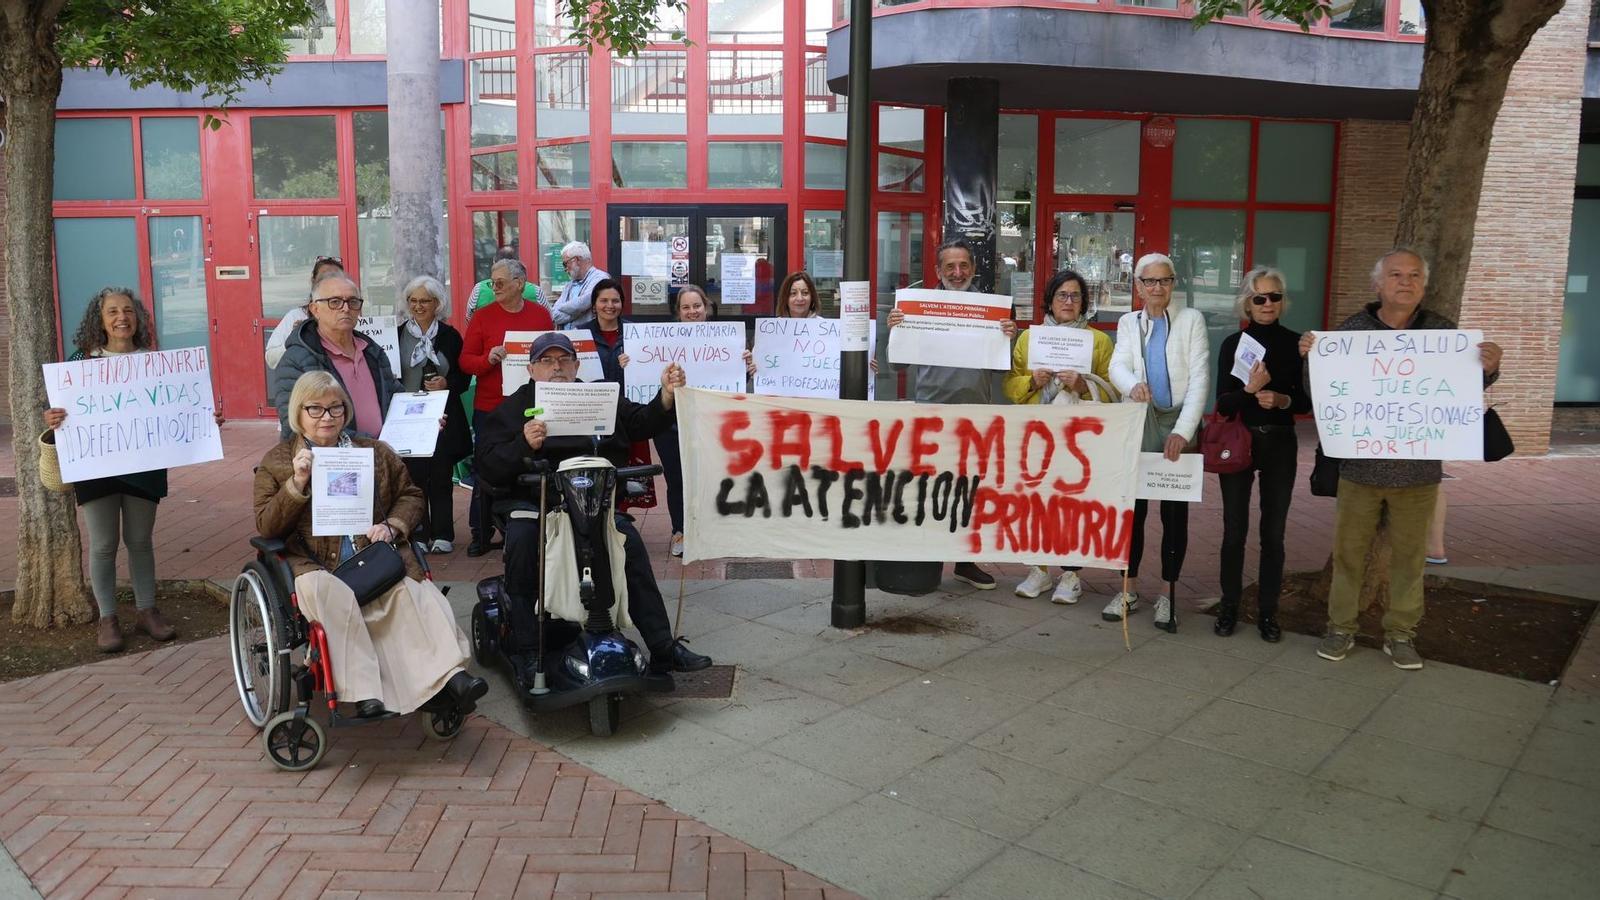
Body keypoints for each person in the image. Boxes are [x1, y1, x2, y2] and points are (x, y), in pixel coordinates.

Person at [1304, 248, 1502, 670]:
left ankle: (1401, 634)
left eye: (1414, 275)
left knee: (1411, 559)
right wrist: (1311, 358)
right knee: (1348, 555)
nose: (1405, 282)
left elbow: (1466, 388)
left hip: (1418, 473)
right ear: (1378, 283)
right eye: (1396, 274)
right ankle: (1340, 628)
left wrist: (1488, 369)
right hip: (1359, 470)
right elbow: (1320, 392)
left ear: (1423, 285)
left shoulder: (1444, 335)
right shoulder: (1352, 332)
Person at [474, 333, 712, 678]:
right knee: (523, 545)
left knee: (628, 543)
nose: (556, 367)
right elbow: (487, 464)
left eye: (564, 359)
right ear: (530, 368)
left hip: (594, 502)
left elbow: (642, 423)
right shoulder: (512, 408)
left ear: (576, 364)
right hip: (537, 502)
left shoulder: (598, 397)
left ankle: (662, 647)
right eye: (546, 360)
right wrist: (522, 444)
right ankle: (527, 651)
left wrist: (666, 397)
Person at [254, 372, 487, 718]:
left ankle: (449, 678)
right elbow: (267, 526)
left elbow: (410, 495)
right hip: (315, 562)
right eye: (315, 409)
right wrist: (296, 483)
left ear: (346, 412)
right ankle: (365, 693)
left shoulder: (374, 452)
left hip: (371, 554)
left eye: (335, 408)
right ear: (298, 413)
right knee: (333, 596)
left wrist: (393, 525)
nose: (327, 417)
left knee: (413, 595)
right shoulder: (277, 463)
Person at [42, 288, 216, 652]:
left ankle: (146, 610)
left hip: (143, 465)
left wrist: (203, 417)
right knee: (103, 544)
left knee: (140, 541)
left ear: (137, 318)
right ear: (99, 319)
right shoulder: (80, 362)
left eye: (128, 310)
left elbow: (177, 406)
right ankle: (107, 617)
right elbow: (60, 408)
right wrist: (53, 417)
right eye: (112, 312)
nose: (121, 317)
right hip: (96, 466)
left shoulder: (154, 363)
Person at [886, 238, 1018, 590]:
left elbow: (1006, 369)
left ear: (973, 269)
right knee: (929, 487)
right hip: (931, 412)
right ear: (938, 271)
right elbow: (898, 363)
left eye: (963, 266)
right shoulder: (919, 306)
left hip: (974, 413)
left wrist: (1009, 337)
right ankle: (927, 561)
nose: (957, 273)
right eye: (950, 267)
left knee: (970, 489)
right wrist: (897, 328)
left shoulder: (992, 310)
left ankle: (965, 561)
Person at [1107, 252, 1210, 628]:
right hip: (1141, 417)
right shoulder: (1128, 322)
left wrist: (1183, 432)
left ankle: (1167, 594)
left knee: (1173, 512)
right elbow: (1115, 364)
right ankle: (1128, 587)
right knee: (1132, 510)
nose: (1156, 288)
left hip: (1177, 418)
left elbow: (1199, 378)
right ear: (1137, 286)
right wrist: (1131, 385)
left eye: (1163, 281)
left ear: (1173, 284)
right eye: (1149, 281)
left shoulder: (1191, 320)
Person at [1003, 269, 1117, 605]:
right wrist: (1033, 381)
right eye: (1061, 295)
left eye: (1075, 296)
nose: (1068, 302)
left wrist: (1084, 386)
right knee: (1036, 502)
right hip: (1038, 433)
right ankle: (1038, 569)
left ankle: (1071, 574)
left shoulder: (1099, 341)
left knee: (1074, 503)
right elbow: (1010, 386)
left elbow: (1113, 392)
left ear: (1083, 303)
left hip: (1079, 438)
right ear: (1050, 302)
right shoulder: (1028, 339)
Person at [1213, 266, 1310, 643]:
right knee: (1234, 531)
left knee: (1274, 533)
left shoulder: (1297, 343)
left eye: (1274, 297)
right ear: (1247, 304)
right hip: (1239, 441)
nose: (1268, 304)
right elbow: (1222, 404)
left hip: (1281, 442)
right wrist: (1251, 390)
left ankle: (1269, 612)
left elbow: (1305, 401)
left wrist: (1283, 399)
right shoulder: (1232, 345)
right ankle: (1229, 606)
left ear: (1283, 301)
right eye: (1260, 298)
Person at [460, 258, 557, 557]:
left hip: (532, 404)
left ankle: (518, 525)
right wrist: (486, 360)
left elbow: (552, 353)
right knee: (486, 467)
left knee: (527, 461)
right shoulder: (482, 317)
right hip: (491, 405)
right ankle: (481, 531)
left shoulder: (541, 315)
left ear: (520, 284)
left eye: (500, 282)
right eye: (492, 282)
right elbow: (465, 361)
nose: (494, 287)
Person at [618, 285, 715, 558]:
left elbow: (734, 383)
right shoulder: (663, 341)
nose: (692, 312)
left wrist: (745, 363)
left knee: (708, 477)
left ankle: (708, 531)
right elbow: (644, 381)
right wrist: (630, 363)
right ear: (678, 312)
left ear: (705, 308)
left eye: (697, 306)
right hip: (670, 423)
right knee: (677, 478)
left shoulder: (725, 340)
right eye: (686, 307)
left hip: (708, 421)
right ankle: (679, 530)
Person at [271, 275, 401, 440]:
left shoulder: (372, 351)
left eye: (353, 302)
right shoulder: (296, 360)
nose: (346, 308)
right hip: (335, 461)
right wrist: (370, 446)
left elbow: (394, 396)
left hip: (382, 458)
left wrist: (424, 418)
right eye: (335, 302)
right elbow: (295, 426)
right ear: (315, 309)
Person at [398, 275, 472, 553]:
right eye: (413, 301)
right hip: (408, 418)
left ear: (437, 304)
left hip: (442, 418)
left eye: (424, 301)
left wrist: (446, 384)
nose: (418, 306)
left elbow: (464, 378)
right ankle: (419, 532)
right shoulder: (397, 335)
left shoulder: (450, 336)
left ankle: (443, 534)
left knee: (441, 476)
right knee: (413, 477)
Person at [265, 256, 346, 369]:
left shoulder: (348, 315)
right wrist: (296, 339)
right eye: (324, 278)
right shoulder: (296, 316)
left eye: (336, 278)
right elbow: (272, 359)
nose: (330, 283)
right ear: (313, 281)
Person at [466, 246, 545, 324]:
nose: (495, 288)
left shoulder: (478, 289)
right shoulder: (536, 291)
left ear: (494, 262)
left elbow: (469, 317)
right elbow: (549, 318)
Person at [551, 241, 610, 330]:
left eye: (565, 263)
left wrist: (560, 308)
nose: (565, 269)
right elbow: (554, 315)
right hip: (566, 339)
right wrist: (580, 311)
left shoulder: (600, 278)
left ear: (577, 260)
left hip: (588, 338)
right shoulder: (569, 285)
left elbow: (581, 304)